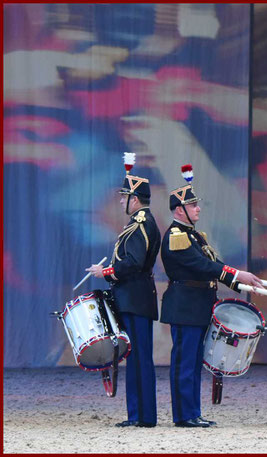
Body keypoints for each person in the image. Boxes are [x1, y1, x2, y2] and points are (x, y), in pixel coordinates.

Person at [160, 163, 263, 428]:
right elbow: (202, 266)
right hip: (185, 307)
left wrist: (242, 282)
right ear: (179, 210)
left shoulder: (195, 236)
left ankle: (193, 412)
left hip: (198, 306)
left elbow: (212, 264)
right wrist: (237, 275)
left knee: (194, 364)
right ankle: (184, 415)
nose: (198, 209)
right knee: (185, 364)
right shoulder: (176, 235)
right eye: (193, 206)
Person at [86, 152, 161, 428]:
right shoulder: (138, 223)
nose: (120, 201)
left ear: (135, 199)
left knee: (140, 358)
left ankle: (143, 416)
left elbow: (133, 262)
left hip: (136, 298)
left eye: (123, 197)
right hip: (133, 298)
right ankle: (139, 415)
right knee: (136, 358)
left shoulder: (141, 224)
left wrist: (104, 272)